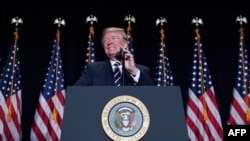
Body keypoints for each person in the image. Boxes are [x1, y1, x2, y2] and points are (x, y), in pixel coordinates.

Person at [74, 27, 155, 86]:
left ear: (125, 43)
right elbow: (77, 92)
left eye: (114, 38)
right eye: (105, 40)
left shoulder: (142, 70)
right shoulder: (93, 69)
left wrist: (133, 71)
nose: (109, 42)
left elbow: (153, 95)